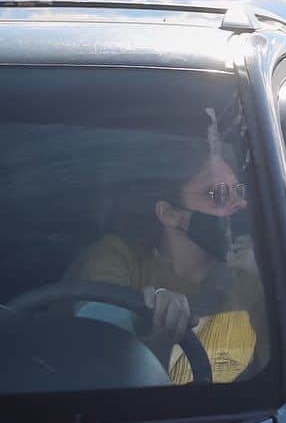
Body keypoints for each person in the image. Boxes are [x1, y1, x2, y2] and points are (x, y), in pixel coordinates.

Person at [68, 140, 267, 384]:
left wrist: (266, 281)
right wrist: (152, 331)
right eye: (219, 194)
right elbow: (102, 352)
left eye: (239, 191)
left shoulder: (250, 275)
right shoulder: (117, 258)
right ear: (169, 214)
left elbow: (278, 370)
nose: (240, 204)